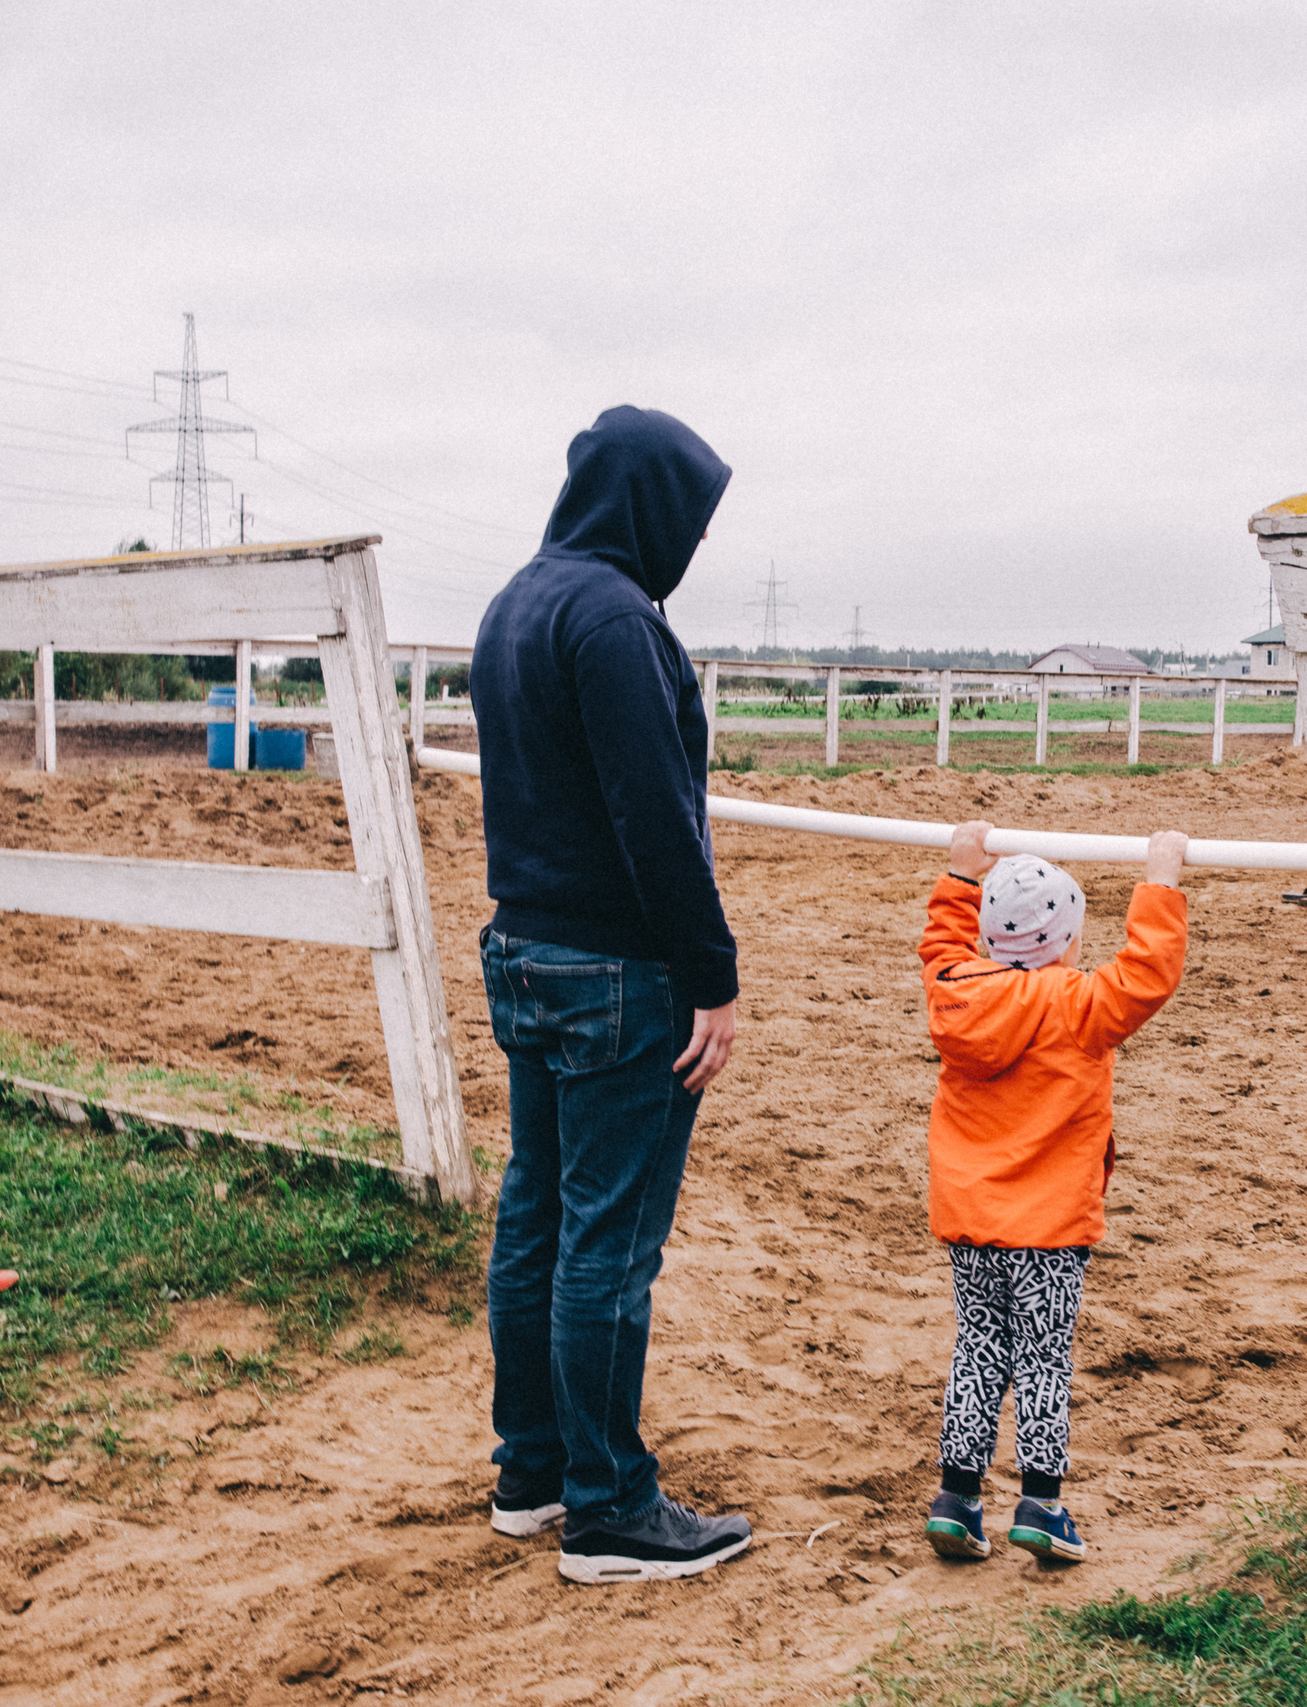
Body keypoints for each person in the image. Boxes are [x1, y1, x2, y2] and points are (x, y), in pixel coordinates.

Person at [470, 406, 749, 1584]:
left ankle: (532, 1471)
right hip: (618, 975)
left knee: (536, 1217)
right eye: (690, 512)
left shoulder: (515, 604)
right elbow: (654, 819)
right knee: (608, 1244)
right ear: (648, 504)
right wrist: (711, 973)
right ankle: (610, 1510)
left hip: (524, 949)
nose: (694, 538)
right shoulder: (619, 620)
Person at [915, 820, 1189, 1563]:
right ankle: (1041, 1502)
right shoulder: (1081, 1004)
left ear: (987, 937)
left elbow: (941, 948)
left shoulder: (957, 992)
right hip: (1049, 1229)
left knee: (978, 1348)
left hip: (971, 1218)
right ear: (1067, 941)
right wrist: (1160, 881)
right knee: (1042, 1359)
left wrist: (961, 876)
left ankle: (956, 1498)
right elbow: (1147, 973)